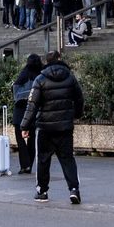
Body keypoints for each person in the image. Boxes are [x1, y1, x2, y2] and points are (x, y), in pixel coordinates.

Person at [21, 50, 83, 204]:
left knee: (43, 159)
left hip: (45, 127)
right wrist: (75, 115)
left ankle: (42, 191)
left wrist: (25, 126)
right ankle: (74, 189)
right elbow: (79, 98)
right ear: (59, 58)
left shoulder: (40, 79)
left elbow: (32, 105)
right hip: (65, 127)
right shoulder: (70, 77)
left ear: (46, 62)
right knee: (68, 159)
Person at [11, 53, 42, 175]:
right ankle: (29, 164)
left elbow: (15, 89)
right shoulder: (41, 75)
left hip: (20, 109)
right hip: (34, 110)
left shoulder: (24, 73)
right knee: (32, 138)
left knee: (20, 137)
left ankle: (25, 164)